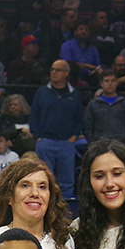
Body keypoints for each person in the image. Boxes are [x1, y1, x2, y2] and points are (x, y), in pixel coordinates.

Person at [29, 60, 84, 202]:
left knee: (67, 182)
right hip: (45, 142)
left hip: (67, 143)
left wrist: (74, 136)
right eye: (52, 69)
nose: (53, 72)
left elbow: (79, 118)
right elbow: (34, 115)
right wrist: (38, 137)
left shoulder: (74, 94)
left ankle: (67, 215)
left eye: (57, 70)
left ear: (66, 73)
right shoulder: (41, 92)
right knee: (43, 179)